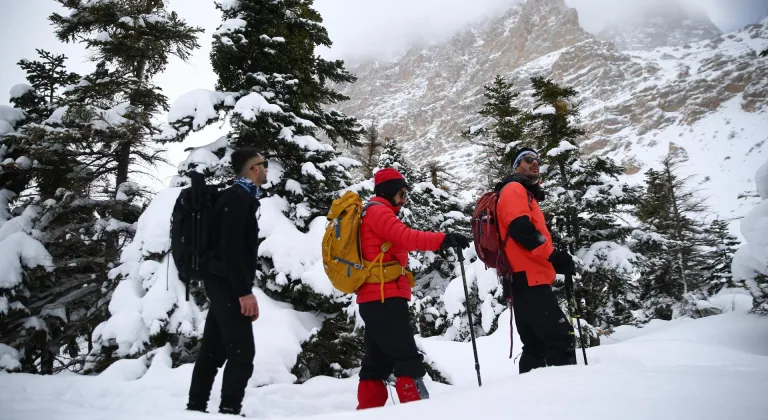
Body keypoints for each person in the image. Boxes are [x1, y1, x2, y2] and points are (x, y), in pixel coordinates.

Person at [356, 167, 470, 409]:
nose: (404, 199)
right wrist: (443, 239)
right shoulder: (379, 212)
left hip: (374, 297)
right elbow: (406, 237)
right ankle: (417, 411)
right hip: (385, 297)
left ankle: (367, 412)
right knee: (406, 358)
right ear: (388, 191)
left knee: (376, 361)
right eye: (401, 194)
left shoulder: (371, 213)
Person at [187, 147, 267, 416]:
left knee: (213, 349)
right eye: (263, 164)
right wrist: (244, 292)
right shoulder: (238, 198)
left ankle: (195, 408)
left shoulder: (240, 197)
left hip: (221, 282)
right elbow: (230, 248)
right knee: (243, 354)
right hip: (227, 284)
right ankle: (229, 410)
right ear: (253, 168)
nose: (266, 168)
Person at [495, 148, 577, 374]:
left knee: (536, 346)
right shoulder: (514, 189)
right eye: (527, 159)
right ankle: (570, 395)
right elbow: (522, 230)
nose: (534, 163)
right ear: (516, 166)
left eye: (537, 160)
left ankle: (532, 401)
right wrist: (553, 255)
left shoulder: (524, 193)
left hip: (524, 279)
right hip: (528, 279)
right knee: (560, 339)